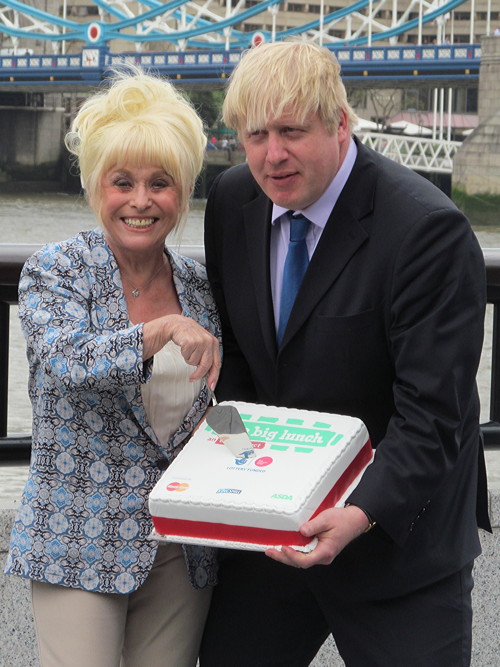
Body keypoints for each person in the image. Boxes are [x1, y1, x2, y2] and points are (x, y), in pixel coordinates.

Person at [199, 40, 491, 667]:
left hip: (397, 537)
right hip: (274, 529)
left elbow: (434, 415)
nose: (272, 155)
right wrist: (225, 475)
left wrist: (358, 512)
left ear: (340, 123)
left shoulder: (425, 231)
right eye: (255, 135)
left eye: (291, 131)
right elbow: (242, 371)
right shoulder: (232, 200)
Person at [5, 67, 221, 667]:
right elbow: (68, 360)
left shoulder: (201, 287)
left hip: (180, 543)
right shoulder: (57, 270)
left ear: (183, 192)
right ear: (94, 184)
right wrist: (160, 331)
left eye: (161, 182)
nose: (141, 201)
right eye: (121, 181)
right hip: (77, 538)